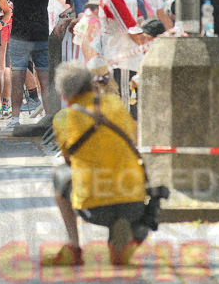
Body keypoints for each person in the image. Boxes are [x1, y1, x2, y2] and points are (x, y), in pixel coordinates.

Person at [43, 62, 153, 267]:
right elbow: (133, 136)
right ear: (92, 84)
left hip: (94, 208)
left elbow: (69, 160)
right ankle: (126, 234)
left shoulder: (63, 118)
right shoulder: (115, 104)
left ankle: (74, 247)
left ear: (63, 95)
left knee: (61, 174)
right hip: (134, 201)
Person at [2, 0, 53, 131]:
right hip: (41, 35)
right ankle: (49, 119)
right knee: (45, 80)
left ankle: (15, 120)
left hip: (20, 37)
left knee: (17, 78)